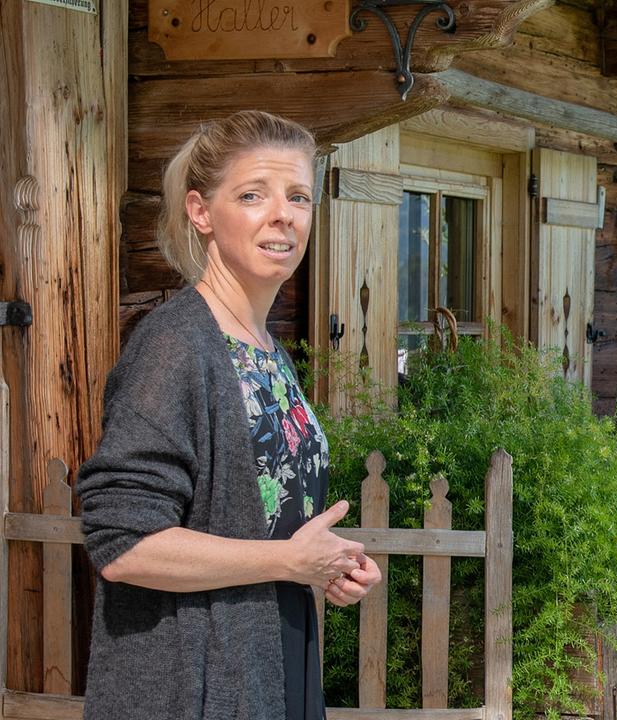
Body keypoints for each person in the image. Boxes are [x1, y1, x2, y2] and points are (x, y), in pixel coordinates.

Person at [77, 110, 382, 720]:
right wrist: (285, 561)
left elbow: (256, 524)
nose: (284, 215)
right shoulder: (176, 345)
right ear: (200, 212)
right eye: (252, 195)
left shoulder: (265, 350)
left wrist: (324, 567)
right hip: (191, 682)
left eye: (298, 196)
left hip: (271, 655)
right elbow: (122, 542)